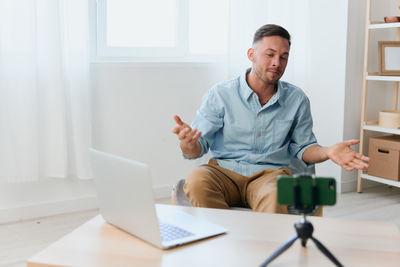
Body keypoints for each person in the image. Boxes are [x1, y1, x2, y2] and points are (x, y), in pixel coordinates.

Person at [172, 24, 369, 215]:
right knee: (197, 180)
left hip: (270, 176)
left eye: (284, 57)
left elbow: (303, 148)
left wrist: (328, 151)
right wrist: (187, 144)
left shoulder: (297, 99)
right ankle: (220, 241)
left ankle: (264, 247)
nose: (277, 62)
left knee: (278, 193)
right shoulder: (220, 94)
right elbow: (197, 148)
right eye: (270, 54)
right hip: (224, 172)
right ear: (251, 55)